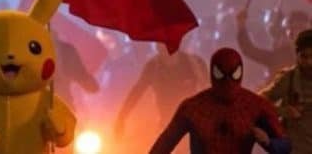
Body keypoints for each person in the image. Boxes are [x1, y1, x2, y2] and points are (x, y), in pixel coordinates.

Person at [150, 48, 291, 154]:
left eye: (233, 75)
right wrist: (269, 143)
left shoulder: (255, 105)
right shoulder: (193, 107)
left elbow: (285, 146)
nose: (228, 83)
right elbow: (163, 146)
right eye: (221, 75)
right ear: (213, 72)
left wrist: (268, 142)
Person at [114, 43, 207, 137]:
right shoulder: (153, 67)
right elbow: (137, 92)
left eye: (167, 43)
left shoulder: (193, 63)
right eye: (160, 44)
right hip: (166, 123)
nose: (163, 48)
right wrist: (122, 116)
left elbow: (209, 88)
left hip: (191, 125)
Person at [259, 29, 312, 152]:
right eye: (304, 56)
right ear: (297, 55)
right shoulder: (289, 78)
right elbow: (258, 104)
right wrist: (282, 111)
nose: (310, 62)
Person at [237, 0, 308, 82]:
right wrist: (241, 26)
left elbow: (249, 50)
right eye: (294, 29)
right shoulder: (281, 55)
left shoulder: (283, 55)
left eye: (300, 28)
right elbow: (249, 50)